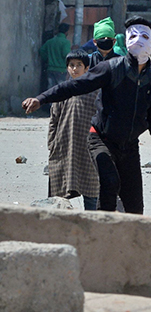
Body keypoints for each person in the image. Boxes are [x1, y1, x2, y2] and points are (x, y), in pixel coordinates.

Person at [23, 17, 151, 213]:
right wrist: (41, 99)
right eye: (134, 36)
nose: (139, 41)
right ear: (126, 40)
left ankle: (120, 231)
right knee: (110, 182)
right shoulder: (112, 68)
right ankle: (100, 228)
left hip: (129, 146)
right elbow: (75, 86)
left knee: (134, 205)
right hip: (101, 139)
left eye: (144, 36)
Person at [46, 49, 100, 210]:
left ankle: (90, 224)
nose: (75, 69)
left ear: (87, 68)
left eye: (79, 65)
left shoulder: (95, 92)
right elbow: (54, 120)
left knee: (92, 193)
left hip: (88, 149)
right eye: (71, 65)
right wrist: (52, 144)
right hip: (64, 147)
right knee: (59, 195)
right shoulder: (62, 91)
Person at [39, 23, 71, 90]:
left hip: (50, 68)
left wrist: (47, 58)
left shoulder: (50, 41)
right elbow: (66, 54)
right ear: (66, 32)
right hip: (61, 70)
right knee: (61, 89)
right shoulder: (66, 42)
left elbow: (41, 51)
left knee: (50, 89)